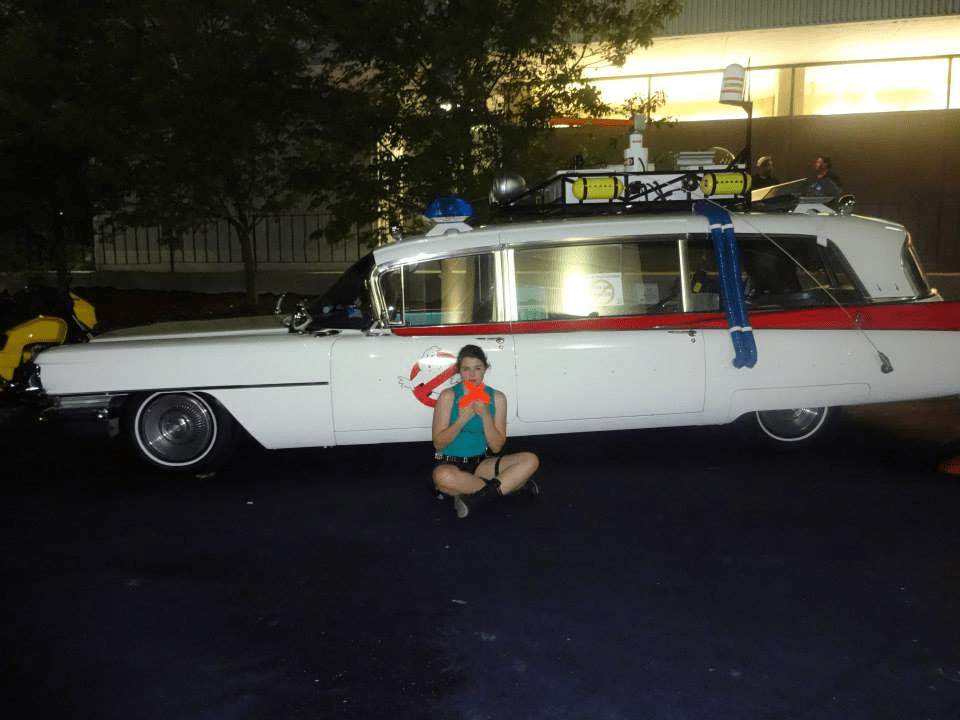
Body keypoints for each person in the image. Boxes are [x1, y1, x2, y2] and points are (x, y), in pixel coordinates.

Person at [432, 344, 540, 519]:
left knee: (530, 459)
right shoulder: (448, 396)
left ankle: (477, 497)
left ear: (485, 369)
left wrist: (485, 416)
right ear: (459, 371)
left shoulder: (497, 398)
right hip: (450, 464)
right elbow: (438, 443)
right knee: (443, 478)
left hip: (482, 465)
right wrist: (462, 419)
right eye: (466, 369)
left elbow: (497, 447)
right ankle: (510, 487)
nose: (472, 374)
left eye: (478, 368)